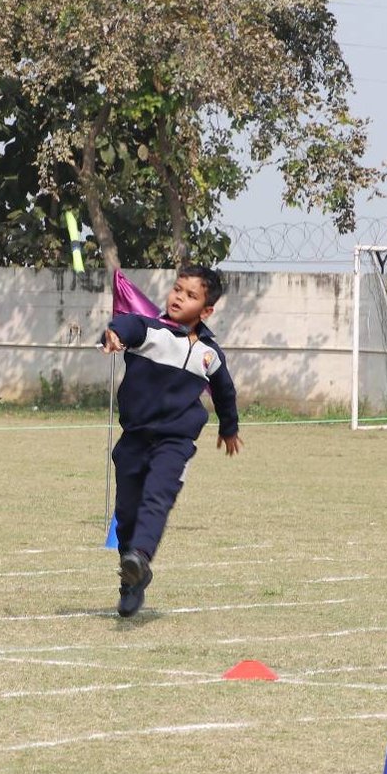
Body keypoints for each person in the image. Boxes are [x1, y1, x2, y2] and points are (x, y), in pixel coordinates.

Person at [100, 264, 242, 617]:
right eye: (177, 289)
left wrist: (229, 428)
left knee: (157, 498)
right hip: (134, 441)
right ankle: (131, 579)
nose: (179, 297)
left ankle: (140, 557)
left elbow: (225, 392)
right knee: (126, 513)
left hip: (175, 443)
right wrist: (113, 333)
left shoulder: (210, 354)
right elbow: (128, 325)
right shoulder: (151, 331)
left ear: (206, 311)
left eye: (191, 295)